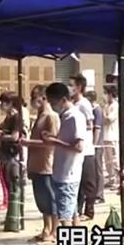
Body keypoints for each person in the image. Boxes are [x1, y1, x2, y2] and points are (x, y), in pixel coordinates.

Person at [43, 83, 87, 228]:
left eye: (53, 102)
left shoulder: (74, 116)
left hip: (68, 174)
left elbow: (78, 146)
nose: (52, 106)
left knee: (65, 217)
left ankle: (69, 241)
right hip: (62, 172)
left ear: (63, 100)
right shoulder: (66, 116)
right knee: (72, 213)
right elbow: (68, 140)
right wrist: (54, 137)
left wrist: (53, 141)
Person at [19, 86, 60, 244]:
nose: (32, 102)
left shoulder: (51, 117)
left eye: (35, 98)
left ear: (44, 98)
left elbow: (52, 142)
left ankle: (55, 231)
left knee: (51, 200)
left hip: (47, 165)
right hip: (36, 164)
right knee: (42, 201)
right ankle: (46, 228)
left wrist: (29, 142)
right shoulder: (39, 116)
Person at [70, 75, 99, 221]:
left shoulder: (84, 104)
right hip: (76, 150)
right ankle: (78, 210)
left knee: (88, 182)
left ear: (79, 87)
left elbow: (90, 125)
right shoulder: (73, 104)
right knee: (78, 182)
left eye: (71, 85)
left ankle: (89, 211)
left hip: (86, 149)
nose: (69, 88)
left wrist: (77, 129)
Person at [0, 93, 24, 212]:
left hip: (12, 152)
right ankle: (8, 202)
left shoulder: (16, 117)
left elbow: (14, 136)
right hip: (5, 151)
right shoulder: (9, 117)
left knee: (10, 179)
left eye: (4, 102)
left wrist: (0, 137)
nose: (1, 105)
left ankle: (10, 203)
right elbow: (5, 131)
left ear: (11, 103)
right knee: (3, 176)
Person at [84, 91, 106, 207]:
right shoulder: (91, 110)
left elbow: (97, 129)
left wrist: (93, 143)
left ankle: (100, 194)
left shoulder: (97, 110)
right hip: (91, 145)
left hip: (97, 145)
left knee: (98, 170)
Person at [102, 84, 120, 189]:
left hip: (112, 136)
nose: (104, 95)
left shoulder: (115, 105)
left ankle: (117, 180)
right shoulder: (106, 106)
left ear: (110, 94)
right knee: (107, 160)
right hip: (105, 136)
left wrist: (103, 114)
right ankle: (111, 179)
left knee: (114, 160)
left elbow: (108, 119)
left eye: (106, 93)